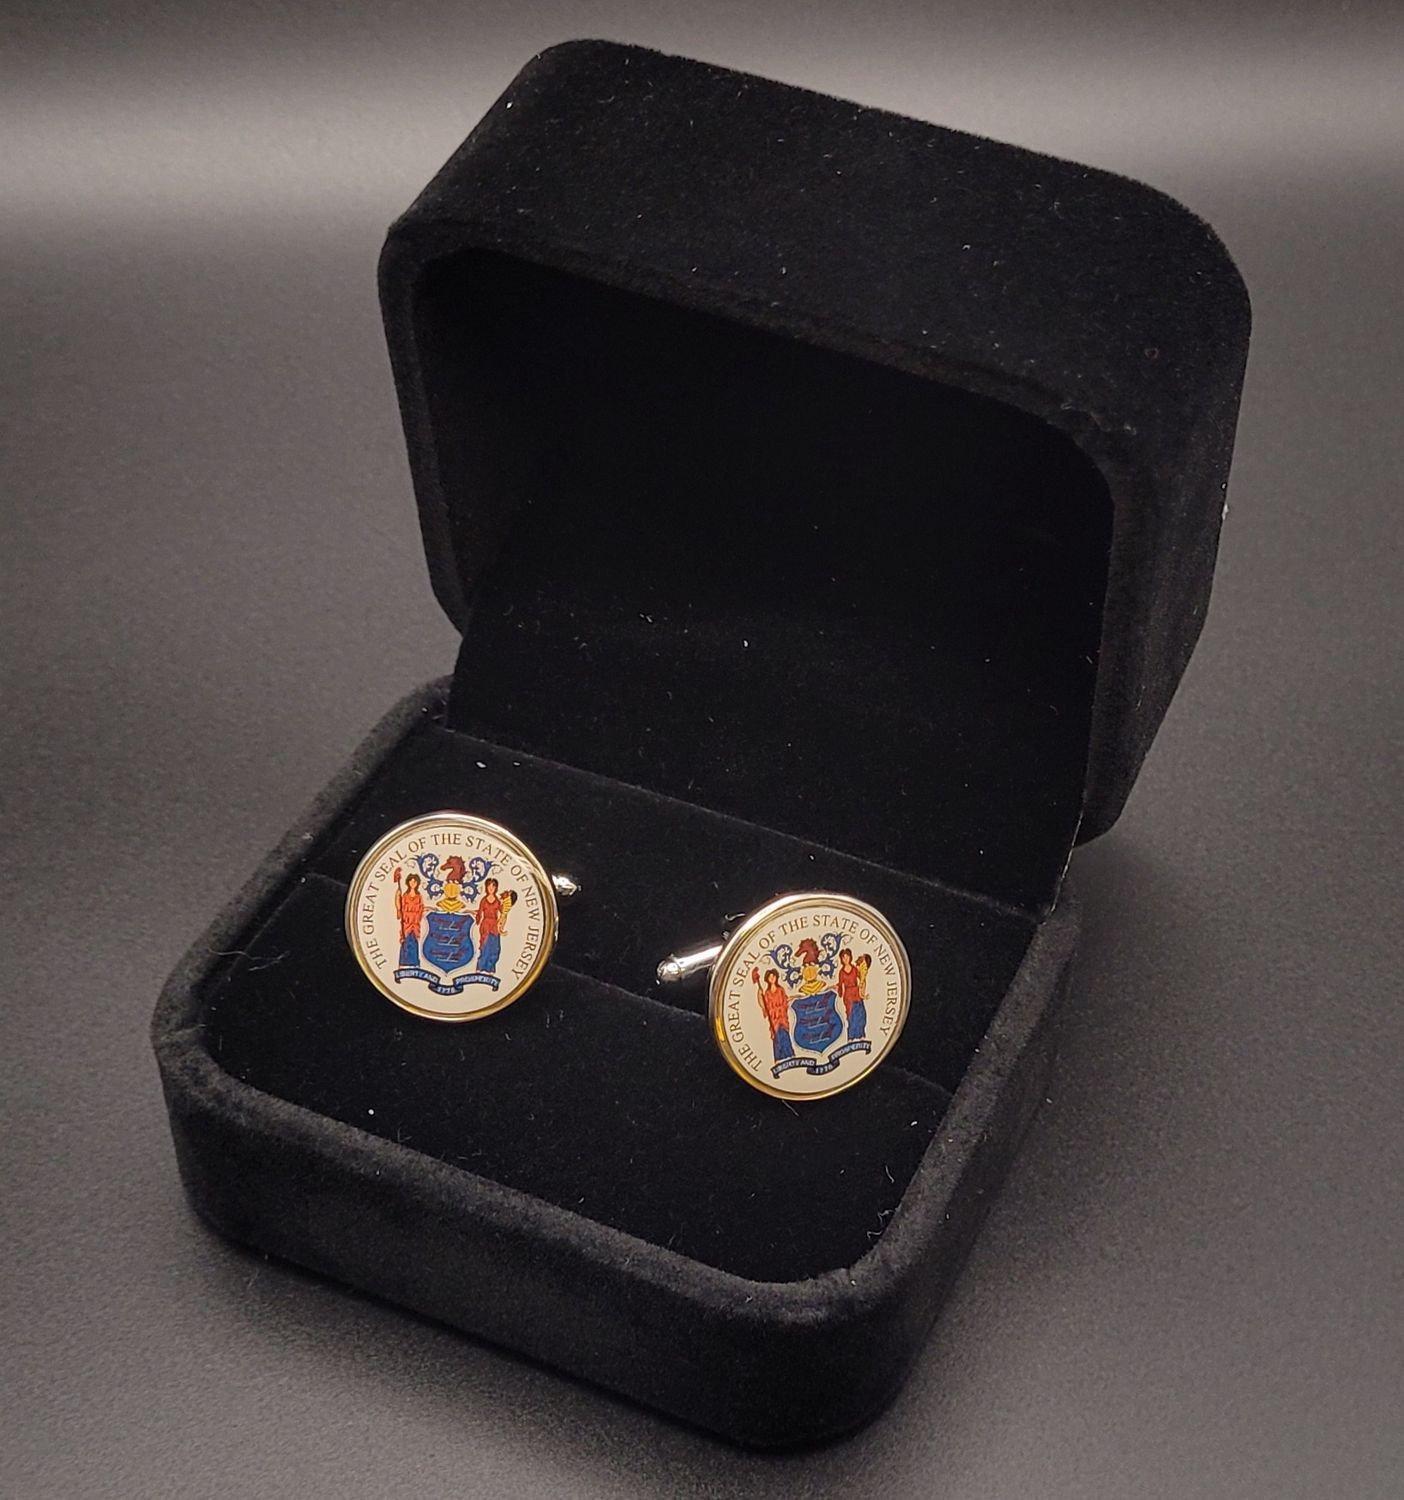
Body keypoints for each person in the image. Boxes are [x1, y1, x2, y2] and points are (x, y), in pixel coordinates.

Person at [752, 967, 795, 1063]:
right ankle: (779, 1058)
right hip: (774, 1020)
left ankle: (789, 1055)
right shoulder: (767, 993)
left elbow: (785, 1001)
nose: (772, 978)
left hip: (782, 1018)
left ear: (776, 977)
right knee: (777, 1038)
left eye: (773, 976)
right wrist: (759, 995)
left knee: (784, 1035)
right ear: (767, 979)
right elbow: (764, 1005)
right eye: (770, 977)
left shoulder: (780, 990)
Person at [835, 947, 870, 1041]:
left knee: (861, 1013)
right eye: (843, 957)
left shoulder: (854, 969)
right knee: (851, 1015)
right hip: (848, 996)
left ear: (850, 957)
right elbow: (840, 984)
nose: (846, 959)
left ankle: (861, 1034)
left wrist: (862, 991)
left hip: (856, 993)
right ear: (841, 959)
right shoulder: (841, 972)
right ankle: (851, 1036)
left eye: (847, 957)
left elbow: (862, 979)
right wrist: (839, 991)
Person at [394, 870, 425, 969]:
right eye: (411, 881)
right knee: (405, 942)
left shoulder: (419, 896)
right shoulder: (405, 896)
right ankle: (403, 964)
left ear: (417, 883)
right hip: (406, 923)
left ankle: (414, 964)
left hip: (415, 924)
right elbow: (400, 907)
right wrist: (397, 896)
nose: (413, 883)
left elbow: (421, 909)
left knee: (414, 942)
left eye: (414, 882)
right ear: (408, 882)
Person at [475, 877, 504, 973]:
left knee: (495, 947)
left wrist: (507, 904)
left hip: (494, 926)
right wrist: (477, 920)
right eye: (489, 886)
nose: (491, 888)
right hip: (486, 925)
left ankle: (491, 967)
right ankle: (480, 967)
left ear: (496, 888)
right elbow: (479, 912)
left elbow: (503, 911)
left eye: (493, 886)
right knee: (485, 946)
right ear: (486, 887)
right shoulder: (483, 900)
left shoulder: (497, 901)